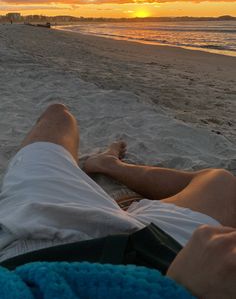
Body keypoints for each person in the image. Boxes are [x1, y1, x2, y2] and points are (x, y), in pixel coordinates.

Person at [0, 103, 235, 297]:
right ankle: (112, 172)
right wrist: (177, 290)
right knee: (221, 184)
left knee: (58, 116)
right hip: (162, 258)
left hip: (39, 243)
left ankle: (110, 167)